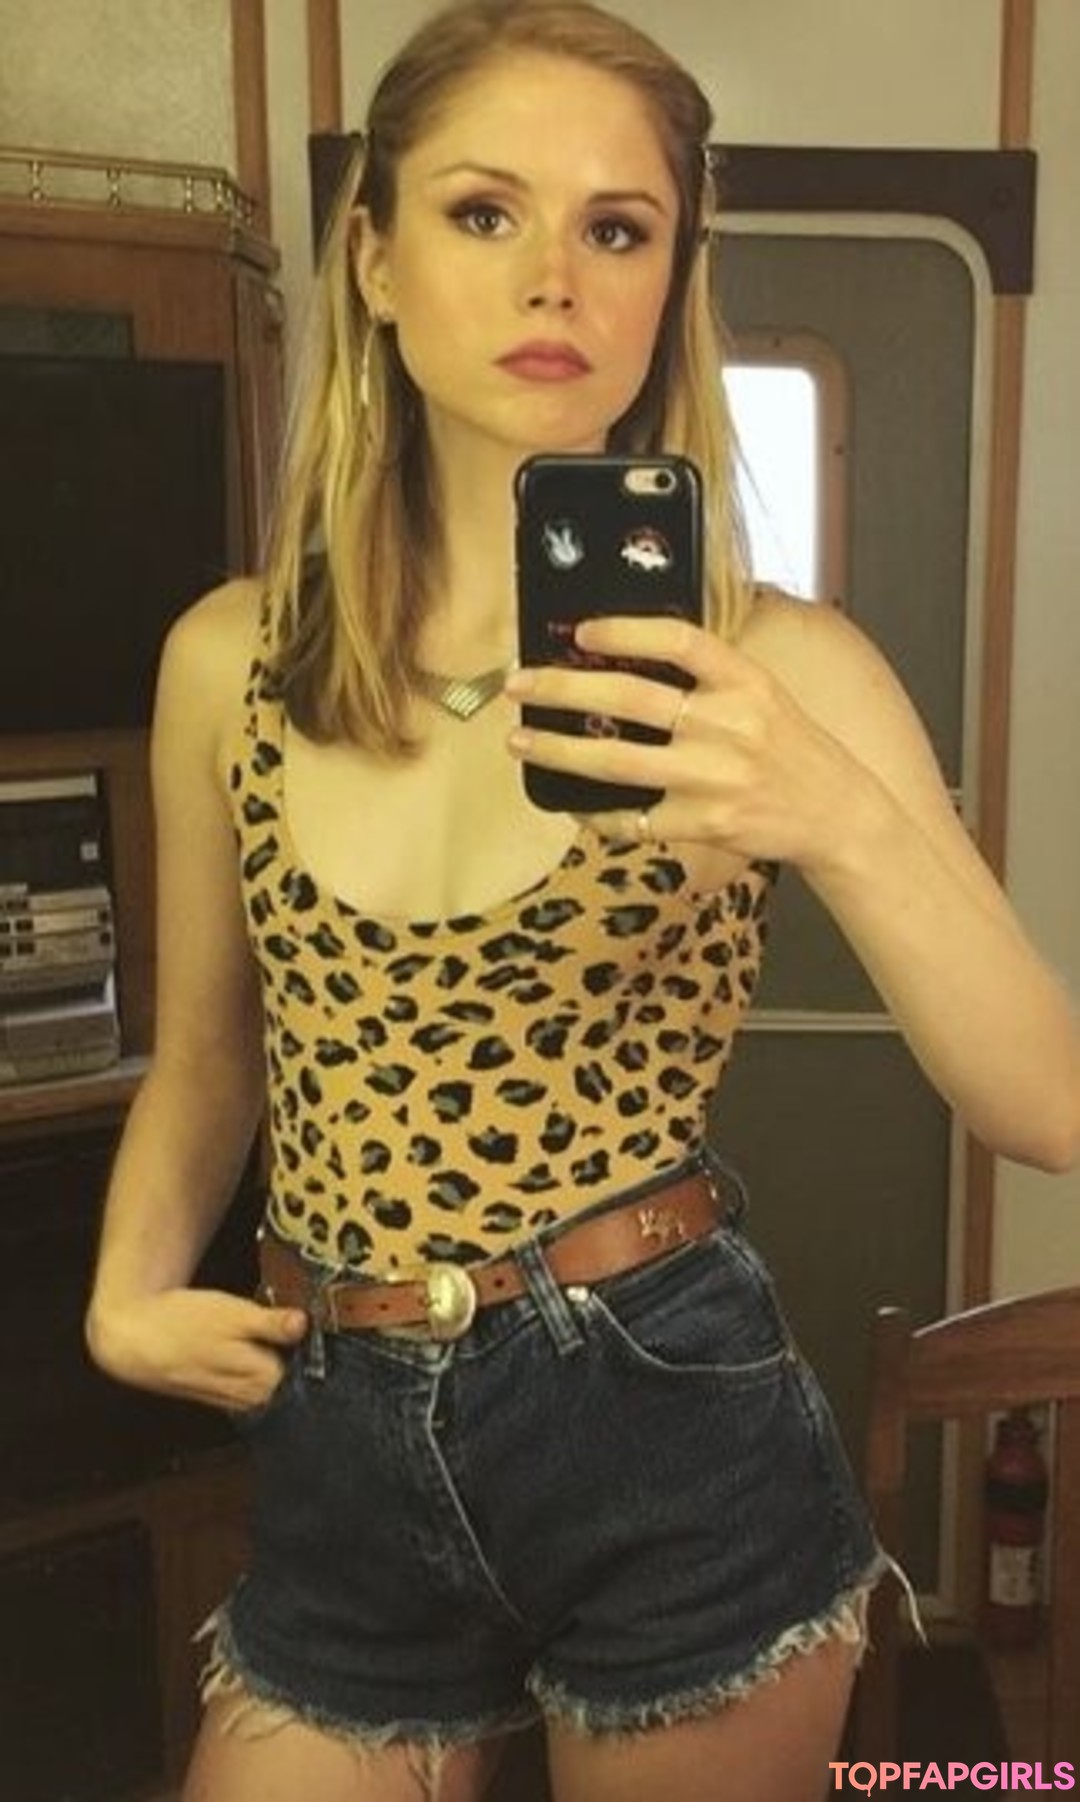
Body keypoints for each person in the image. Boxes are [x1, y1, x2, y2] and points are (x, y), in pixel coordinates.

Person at [86, 3, 1080, 1799]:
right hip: (338, 1433)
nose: (554, 275)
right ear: (374, 258)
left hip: (661, 1412)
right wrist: (123, 1285)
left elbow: (1047, 1102)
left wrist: (837, 812)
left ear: (670, 278)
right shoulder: (227, 660)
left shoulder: (777, 663)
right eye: (485, 211)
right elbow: (213, 1056)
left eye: (618, 227)